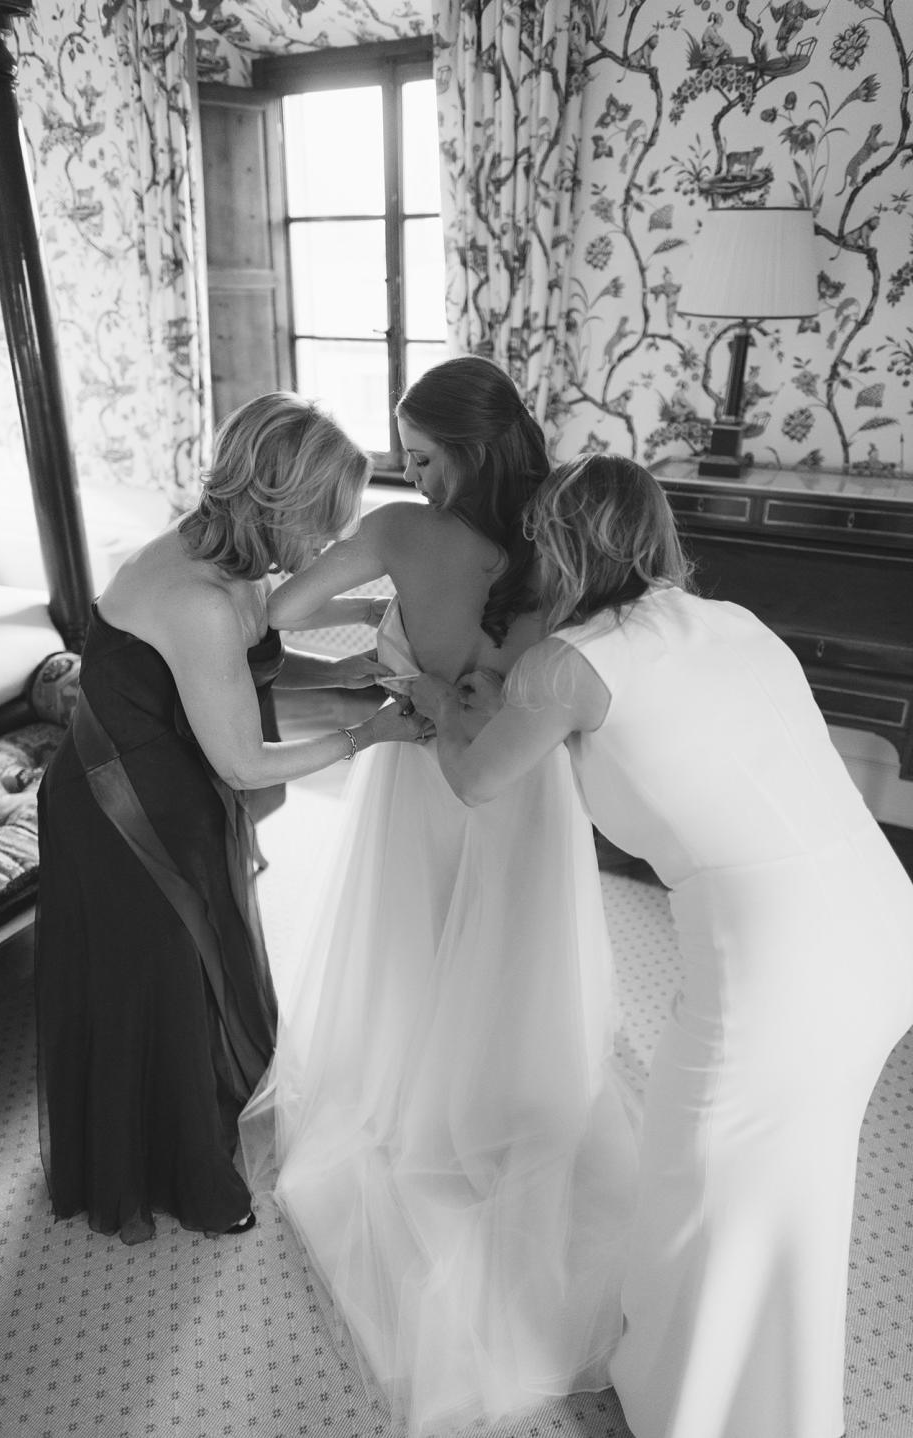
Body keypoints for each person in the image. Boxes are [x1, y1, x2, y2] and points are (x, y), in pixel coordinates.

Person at [411, 453, 913, 1438]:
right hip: (885, 925)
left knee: (703, 1184)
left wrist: (431, 705)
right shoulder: (733, 621)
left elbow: (474, 778)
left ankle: (699, 1410)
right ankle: (772, 1403)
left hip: (778, 970)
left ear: (559, 544)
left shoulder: (570, 663)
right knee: (794, 1184)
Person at [237, 358, 640, 1435]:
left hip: (418, 770)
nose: (407, 470)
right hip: (522, 781)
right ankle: (501, 1099)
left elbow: (277, 613)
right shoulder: (560, 532)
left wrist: (388, 614)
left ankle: (421, 1101)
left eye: (420, 456)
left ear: (469, 447)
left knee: (410, 941)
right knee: (513, 950)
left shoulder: (400, 530)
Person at [34, 391, 423, 1246]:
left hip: (172, 786)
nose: (327, 544)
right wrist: (372, 731)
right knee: (165, 984)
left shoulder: (231, 561)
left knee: (208, 968)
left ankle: (202, 1114)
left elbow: (244, 673)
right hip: (122, 811)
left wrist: (360, 666)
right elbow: (243, 760)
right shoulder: (199, 598)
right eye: (323, 523)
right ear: (277, 504)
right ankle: (188, 1176)